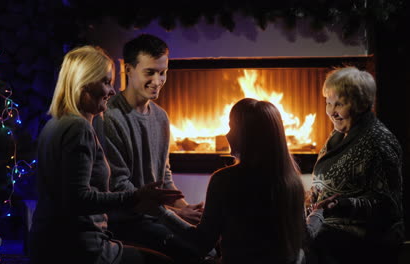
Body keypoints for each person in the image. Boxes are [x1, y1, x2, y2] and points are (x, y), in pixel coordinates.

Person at [28, 45, 184, 264]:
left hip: (53, 243)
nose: (112, 91)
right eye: (106, 82)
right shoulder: (78, 129)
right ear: (84, 83)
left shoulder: (54, 124)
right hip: (76, 248)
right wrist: (136, 197)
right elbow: (78, 199)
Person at [155, 98, 338, 264]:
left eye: (231, 127)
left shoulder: (224, 181)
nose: (226, 135)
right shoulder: (291, 182)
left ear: (247, 136)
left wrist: (161, 212)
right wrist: (318, 213)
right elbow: (303, 237)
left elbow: (201, 243)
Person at [94, 33, 205, 261]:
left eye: (163, 73)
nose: (158, 80)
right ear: (129, 70)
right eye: (150, 72)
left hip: (158, 215)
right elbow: (121, 189)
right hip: (126, 221)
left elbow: (164, 178)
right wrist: (178, 216)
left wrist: (188, 211)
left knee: (212, 245)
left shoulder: (161, 117)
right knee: (193, 254)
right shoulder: (109, 118)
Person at [307, 66, 405, 264]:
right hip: (330, 226)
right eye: (328, 103)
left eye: (339, 104)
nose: (331, 112)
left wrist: (342, 205)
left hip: (365, 239)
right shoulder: (340, 134)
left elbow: (389, 206)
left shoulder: (378, 143)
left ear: (361, 104)